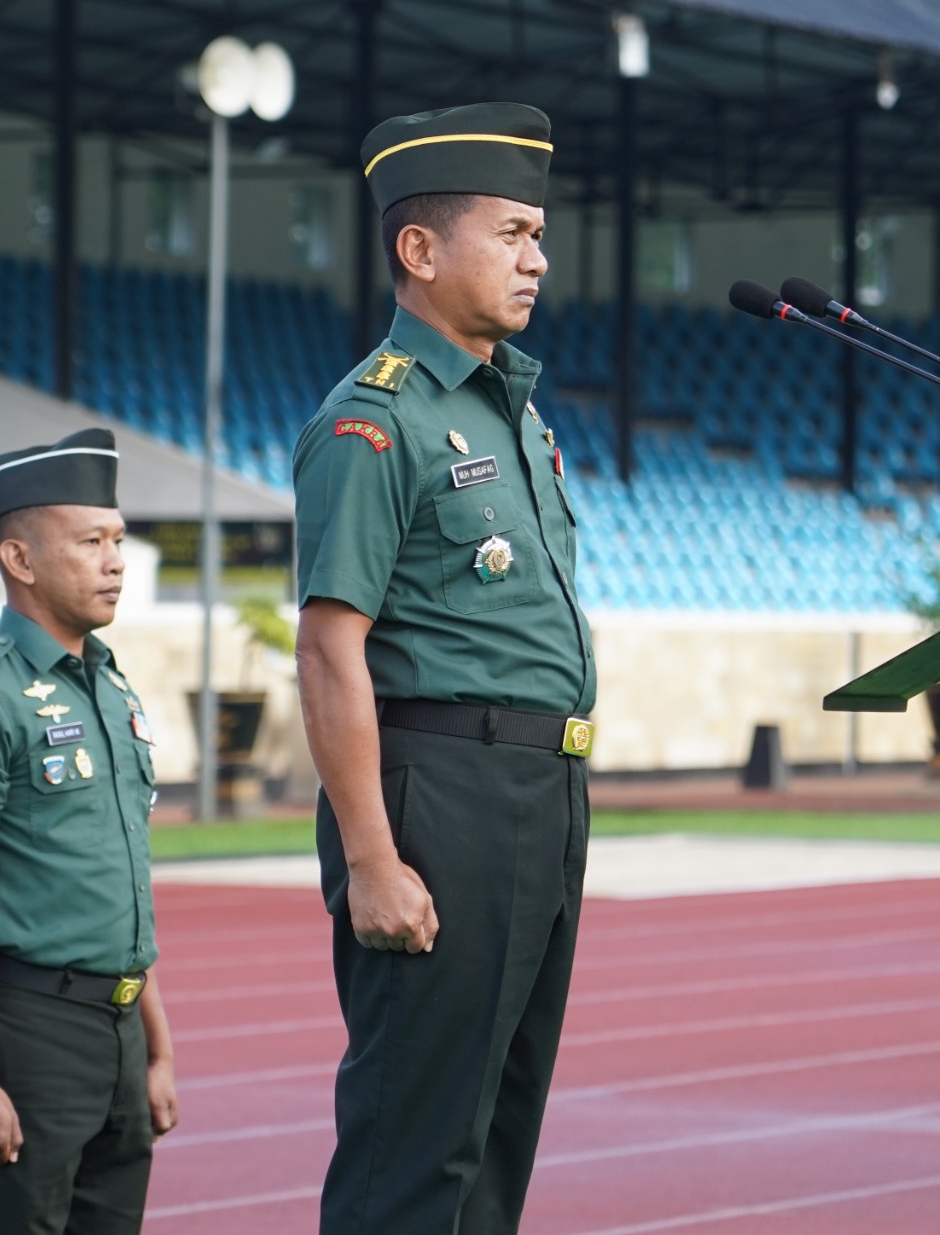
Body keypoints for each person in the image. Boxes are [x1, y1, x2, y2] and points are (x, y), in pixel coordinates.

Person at [292, 101, 597, 1235]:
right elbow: (330, 648)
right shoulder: (374, 421)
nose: (538, 257)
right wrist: (371, 858)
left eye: (538, 233)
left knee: (497, 1139)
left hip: (540, 793)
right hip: (444, 795)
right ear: (419, 250)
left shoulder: (511, 411)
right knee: (415, 1148)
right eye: (512, 231)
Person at [0, 428, 179, 1235]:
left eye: (120, 539)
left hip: (118, 1036)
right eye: (91, 541)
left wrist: (156, 1050)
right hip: (23, 1037)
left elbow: (122, 885)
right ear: (20, 560)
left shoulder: (111, 688)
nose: (116, 561)